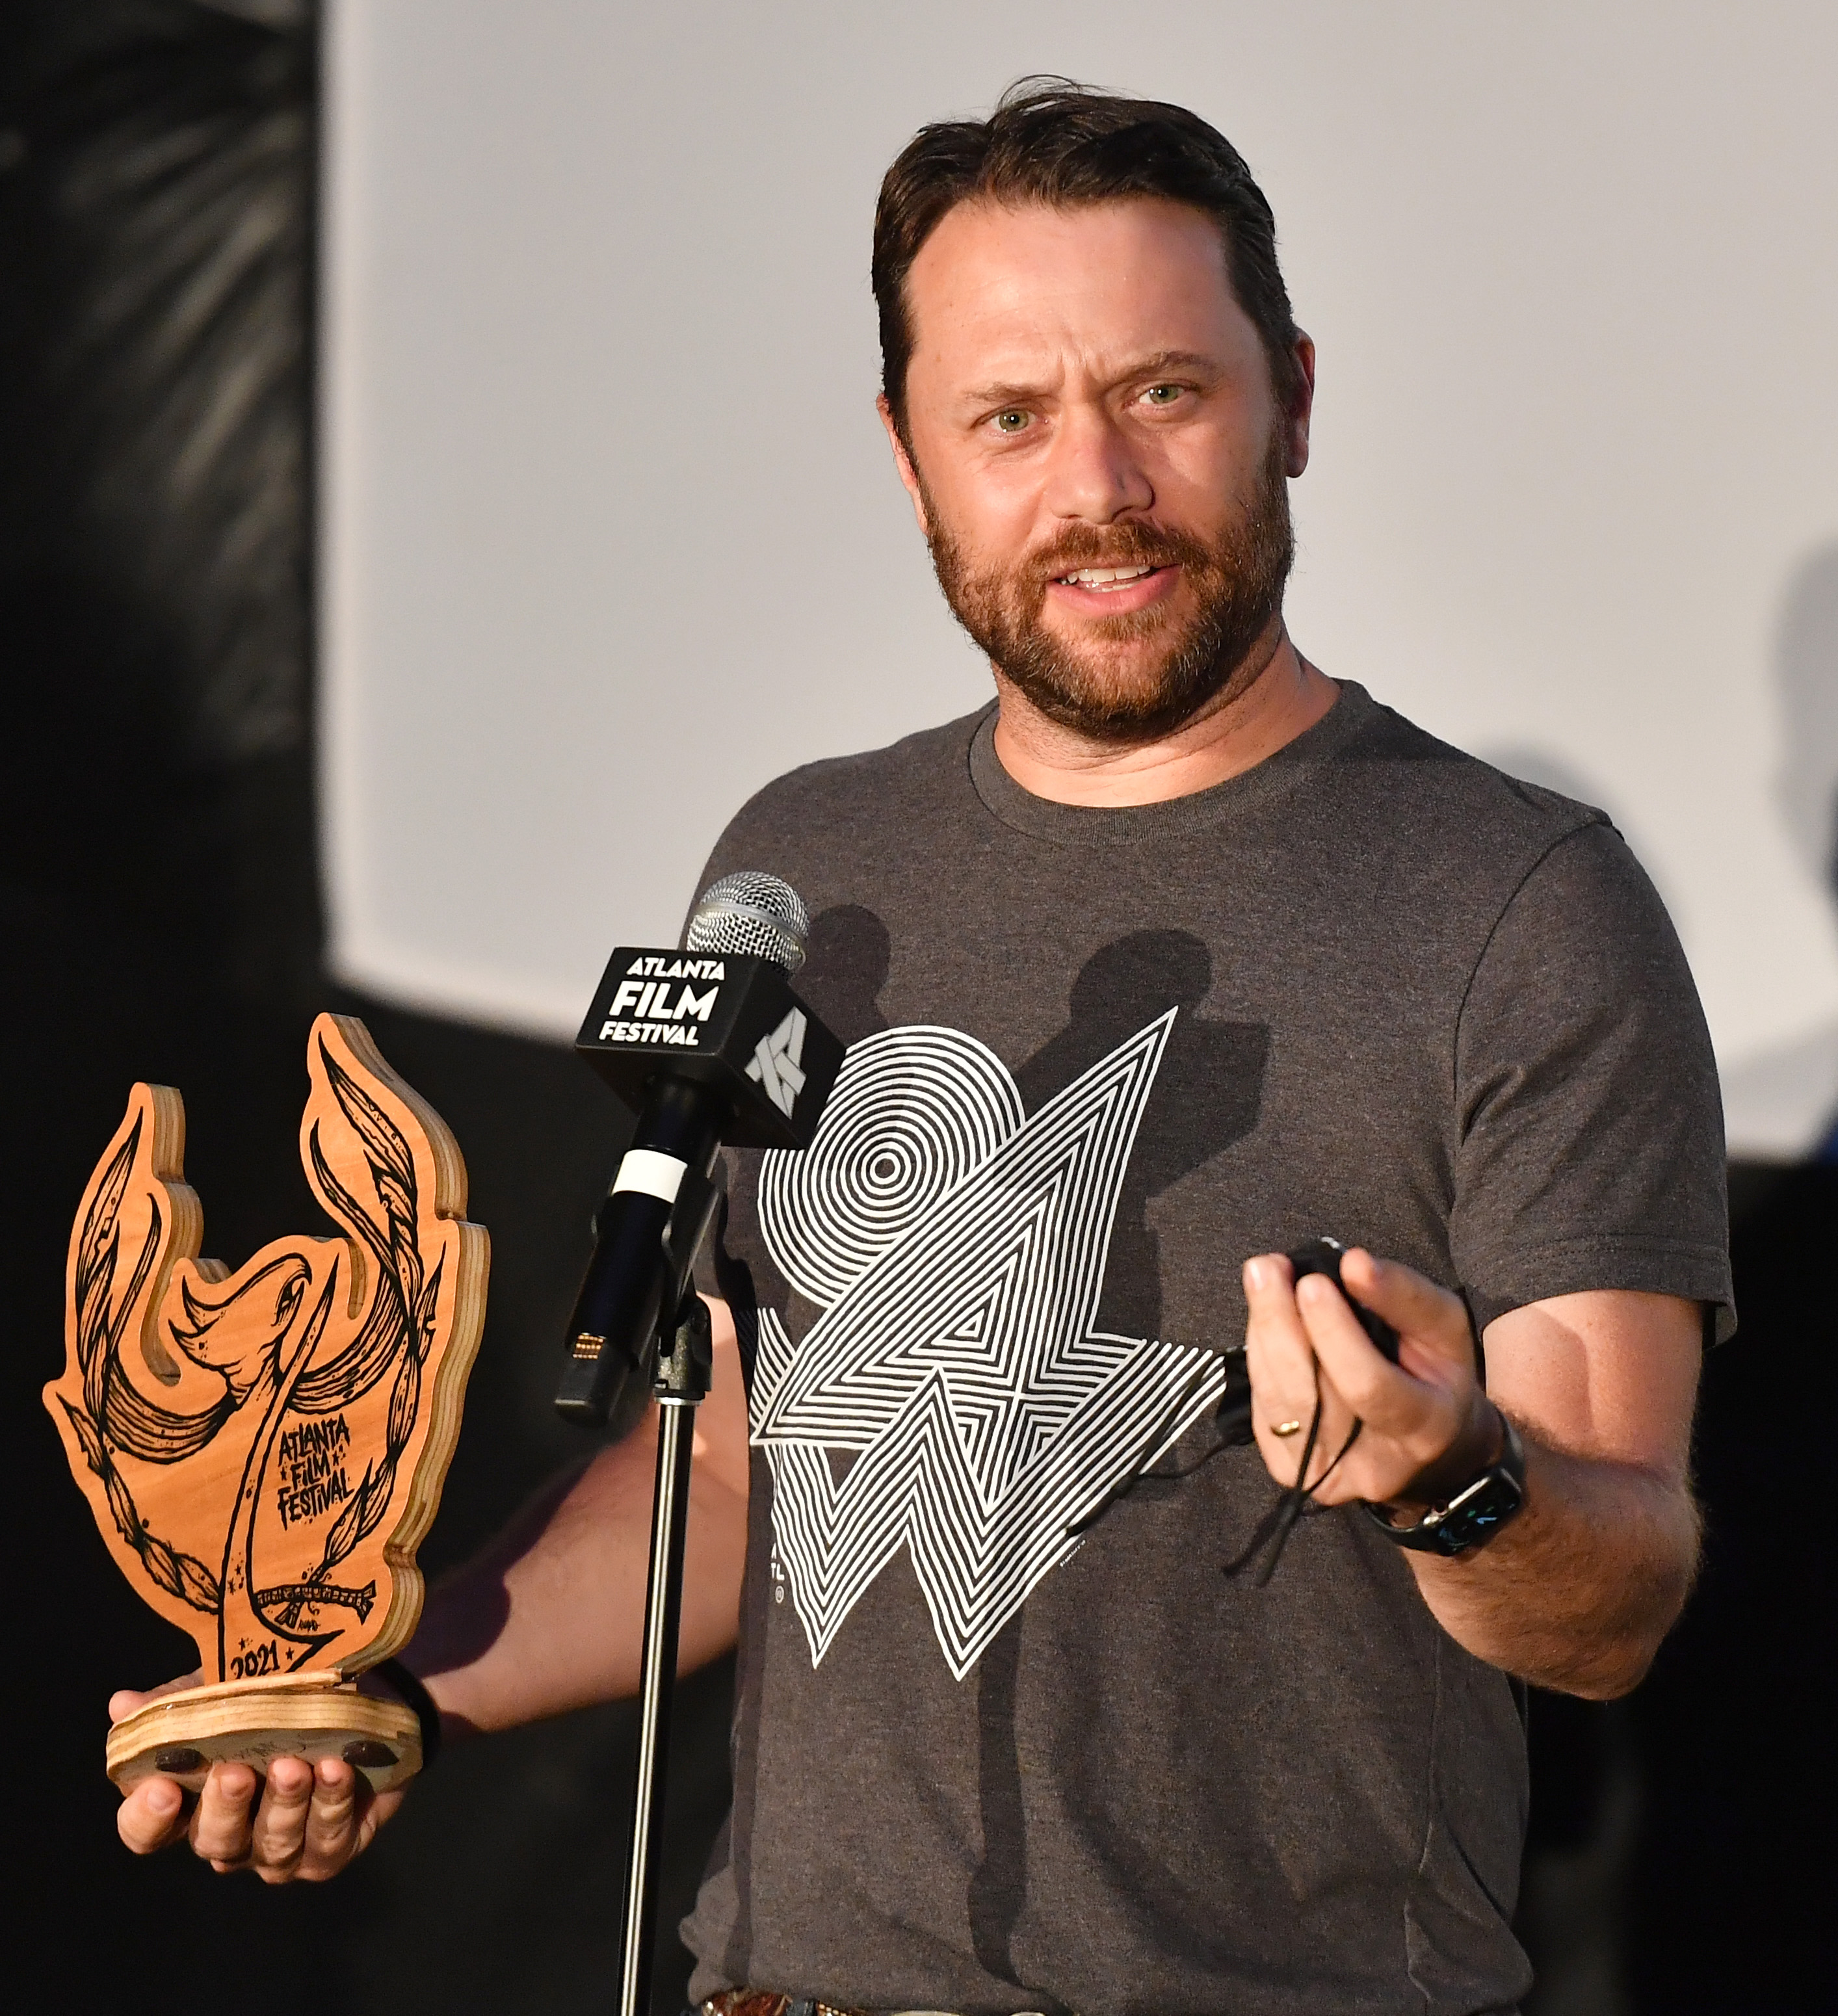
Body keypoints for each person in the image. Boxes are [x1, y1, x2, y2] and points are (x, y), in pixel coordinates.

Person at [114, 82, 1729, 2016]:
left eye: (1163, 392)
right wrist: (376, 1692)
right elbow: (744, 1478)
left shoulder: (1522, 904)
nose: (1097, 486)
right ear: (909, 456)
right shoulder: (807, 865)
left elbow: (1612, 1607)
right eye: (1008, 417)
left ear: (1292, 400)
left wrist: (1451, 1477)